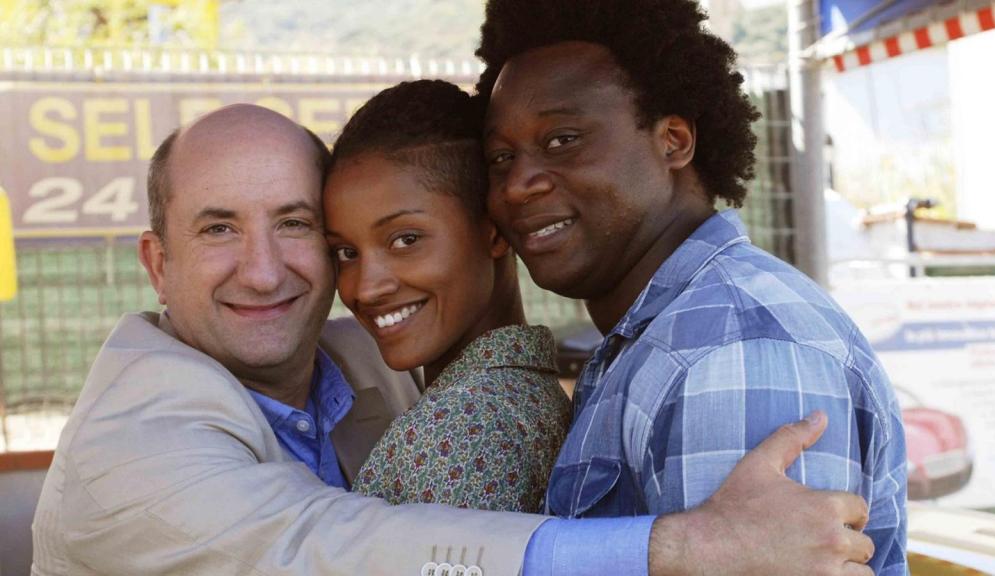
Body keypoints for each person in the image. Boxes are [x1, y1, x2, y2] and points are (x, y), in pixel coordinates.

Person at [32, 103, 876, 576]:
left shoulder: (375, 358)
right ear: (158, 262)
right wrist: (687, 547)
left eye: (296, 225)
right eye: (218, 228)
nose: (263, 271)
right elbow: (317, 548)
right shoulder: (128, 443)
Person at [476, 0, 908, 574]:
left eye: (562, 140)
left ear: (674, 140)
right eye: (501, 157)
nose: (517, 184)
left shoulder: (728, 350)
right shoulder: (657, 335)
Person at [324, 79, 571, 511]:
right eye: (346, 253)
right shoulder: (528, 394)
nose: (365, 287)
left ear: (494, 232)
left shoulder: (457, 428)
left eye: (405, 240)